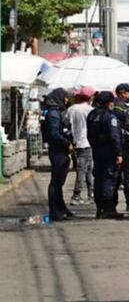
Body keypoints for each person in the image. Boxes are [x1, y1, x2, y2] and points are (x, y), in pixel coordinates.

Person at [87, 91, 124, 219]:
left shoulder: (92, 115)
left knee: (98, 179)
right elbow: (114, 136)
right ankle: (108, 209)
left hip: (97, 151)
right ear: (109, 103)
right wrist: (118, 153)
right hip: (109, 152)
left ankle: (99, 208)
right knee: (109, 179)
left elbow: (89, 135)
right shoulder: (109, 117)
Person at [42, 88, 74, 221]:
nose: (67, 100)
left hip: (60, 150)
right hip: (58, 150)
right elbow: (54, 134)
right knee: (56, 181)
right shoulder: (53, 114)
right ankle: (55, 210)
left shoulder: (56, 112)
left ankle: (61, 207)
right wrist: (67, 143)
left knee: (59, 181)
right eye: (65, 97)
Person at [66, 85, 95, 205]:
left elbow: (67, 126)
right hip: (87, 142)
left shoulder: (71, 109)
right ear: (90, 97)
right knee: (84, 170)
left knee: (86, 170)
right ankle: (77, 195)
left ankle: (90, 194)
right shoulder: (90, 110)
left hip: (77, 142)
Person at [113, 83, 129, 213]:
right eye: (128, 93)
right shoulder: (124, 108)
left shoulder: (112, 107)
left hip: (115, 146)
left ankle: (110, 206)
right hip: (127, 146)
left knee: (115, 177)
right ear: (123, 93)